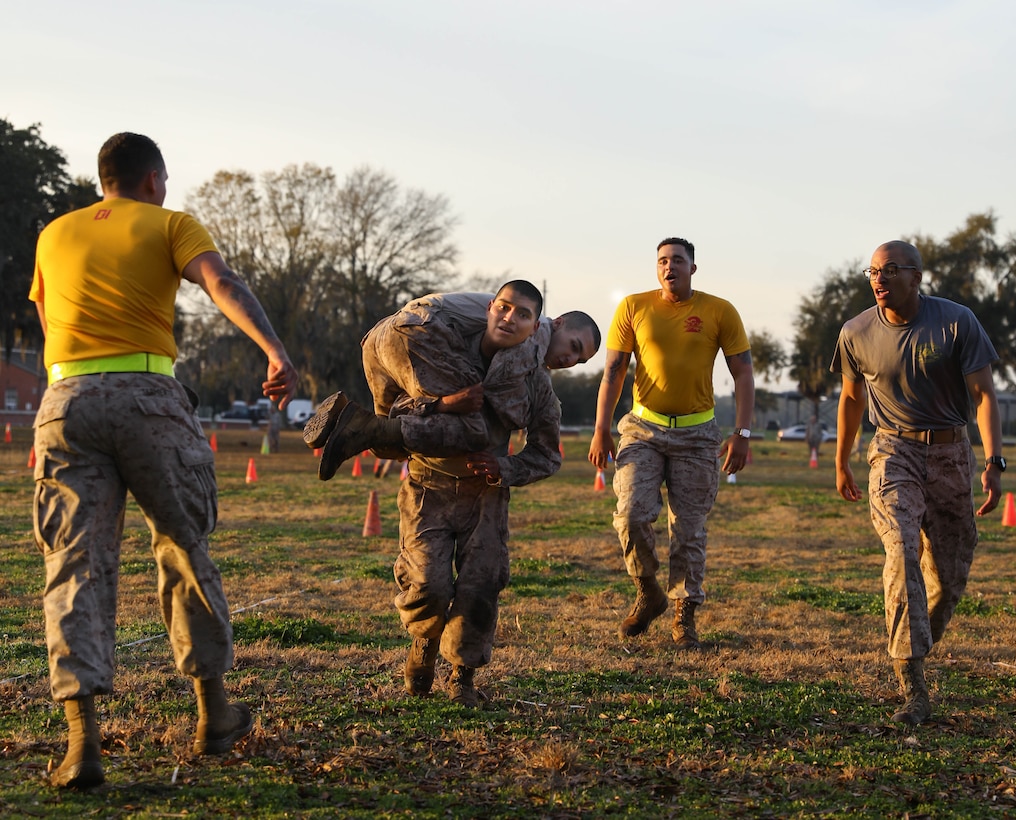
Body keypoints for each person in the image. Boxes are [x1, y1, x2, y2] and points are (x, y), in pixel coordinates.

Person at [29, 132, 298, 788]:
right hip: (147, 393)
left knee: (74, 565)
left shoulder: (53, 234)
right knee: (183, 546)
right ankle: (214, 715)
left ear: (103, 179)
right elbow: (220, 281)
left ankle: (80, 745)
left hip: (64, 401)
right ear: (153, 180)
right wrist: (273, 350)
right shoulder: (170, 222)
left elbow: (45, 316)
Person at [311, 281, 568, 706]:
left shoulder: (535, 382)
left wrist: (504, 468)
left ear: (535, 326)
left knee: (481, 586)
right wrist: (443, 403)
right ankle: (423, 645)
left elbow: (547, 455)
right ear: (490, 308)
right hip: (427, 487)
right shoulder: (441, 352)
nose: (509, 318)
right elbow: (400, 411)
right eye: (504, 308)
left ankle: (462, 677)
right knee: (428, 585)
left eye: (522, 314)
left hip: (485, 497)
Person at [832, 239, 1003, 726]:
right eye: (872, 272)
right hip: (892, 450)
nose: (879, 280)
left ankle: (916, 642)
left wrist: (994, 460)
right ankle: (913, 684)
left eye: (890, 271)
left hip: (951, 453)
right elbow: (850, 399)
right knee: (901, 548)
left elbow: (984, 394)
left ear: (917, 277)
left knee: (948, 580)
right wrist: (842, 460)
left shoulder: (956, 321)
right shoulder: (856, 331)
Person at [587, 237, 754, 649]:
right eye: (662, 261)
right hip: (642, 430)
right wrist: (600, 427)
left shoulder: (719, 310)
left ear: (693, 268)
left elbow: (744, 374)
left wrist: (742, 433)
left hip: (698, 436)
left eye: (677, 260)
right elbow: (613, 372)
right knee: (630, 514)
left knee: (689, 529)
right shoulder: (633, 306)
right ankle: (648, 591)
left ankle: (684, 614)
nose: (669, 267)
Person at [304, 290, 599, 479]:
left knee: (388, 444)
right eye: (573, 346)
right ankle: (358, 424)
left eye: (580, 360)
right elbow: (494, 391)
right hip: (421, 333)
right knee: (473, 428)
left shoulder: (521, 331)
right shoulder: (533, 336)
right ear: (556, 323)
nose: (569, 359)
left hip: (380, 339)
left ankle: (338, 418)